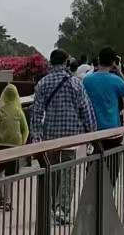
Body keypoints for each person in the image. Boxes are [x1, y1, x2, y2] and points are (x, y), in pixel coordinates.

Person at [30, 50, 94, 224]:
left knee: (52, 171)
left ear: (51, 63)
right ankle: (62, 209)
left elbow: (36, 112)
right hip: (71, 137)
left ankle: (52, 207)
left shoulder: (43, 83)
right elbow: (85, 108)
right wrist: (91, 132)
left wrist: (36, 136)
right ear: (66, 63)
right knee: (68, 173)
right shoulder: (75, 83)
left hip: (50, 136)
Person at [0, 82, 29, 211]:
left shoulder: (0, 110)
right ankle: (8, 200)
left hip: (0, 144)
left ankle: (1, 197)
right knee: (10, 174)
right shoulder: (18, 111)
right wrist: (22, 143)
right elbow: (25, 129)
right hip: (14, 146)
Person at [82, 48, 124, 133]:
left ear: (99, 60)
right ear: (113, 63)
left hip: (93, 128)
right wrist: (119, 72)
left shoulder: (86, 80)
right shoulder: (116, 80)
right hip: (112, 127)